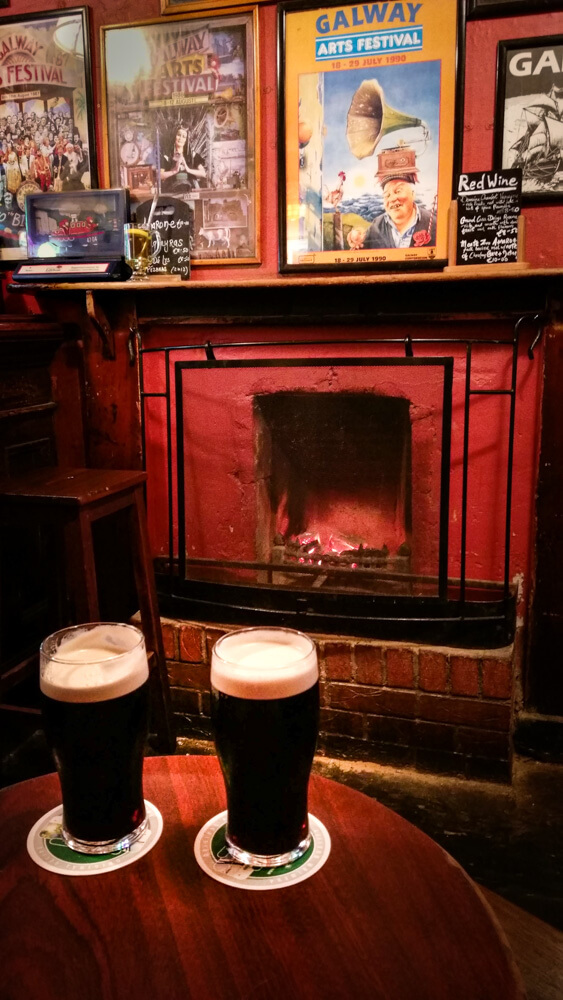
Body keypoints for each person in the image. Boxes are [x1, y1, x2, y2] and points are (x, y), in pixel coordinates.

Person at [351, 147, 436, 251]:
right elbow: (360, 251)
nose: (392, 199)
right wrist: (356, 240)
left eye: (398, 191)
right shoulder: (376, 226)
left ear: (413, 194)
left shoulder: (433, 224)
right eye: (387, 195)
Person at [160, 124, 206, 193]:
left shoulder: (192, 155)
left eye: (184, 136)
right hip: (171, 193)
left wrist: (188, 169)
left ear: (186, 140)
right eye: (179, 135)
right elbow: (160, 176)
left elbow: (203, 173)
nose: (181, 138)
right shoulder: (166, 156)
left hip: (190, 191)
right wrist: (174, 171)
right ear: (174, 136)